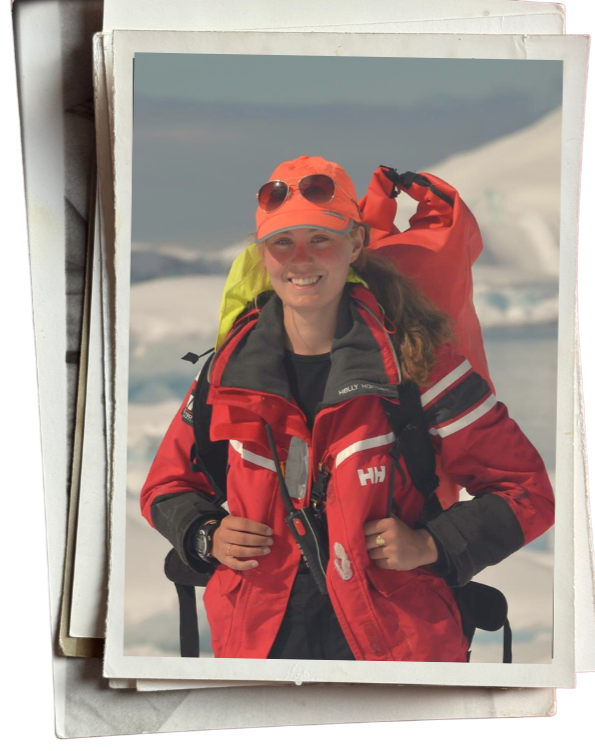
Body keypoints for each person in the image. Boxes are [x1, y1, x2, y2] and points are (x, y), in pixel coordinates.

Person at [140, 155, 555, 662]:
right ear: (264, 255)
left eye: (321, 239)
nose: (301, 259)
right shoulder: (228, 372)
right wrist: (206, 535)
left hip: (397, 653)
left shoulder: (417, 364)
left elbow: (527, 490)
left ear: (355, 244)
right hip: (260, 650)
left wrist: (430, 545)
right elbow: (167, 487)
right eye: (282, 242)